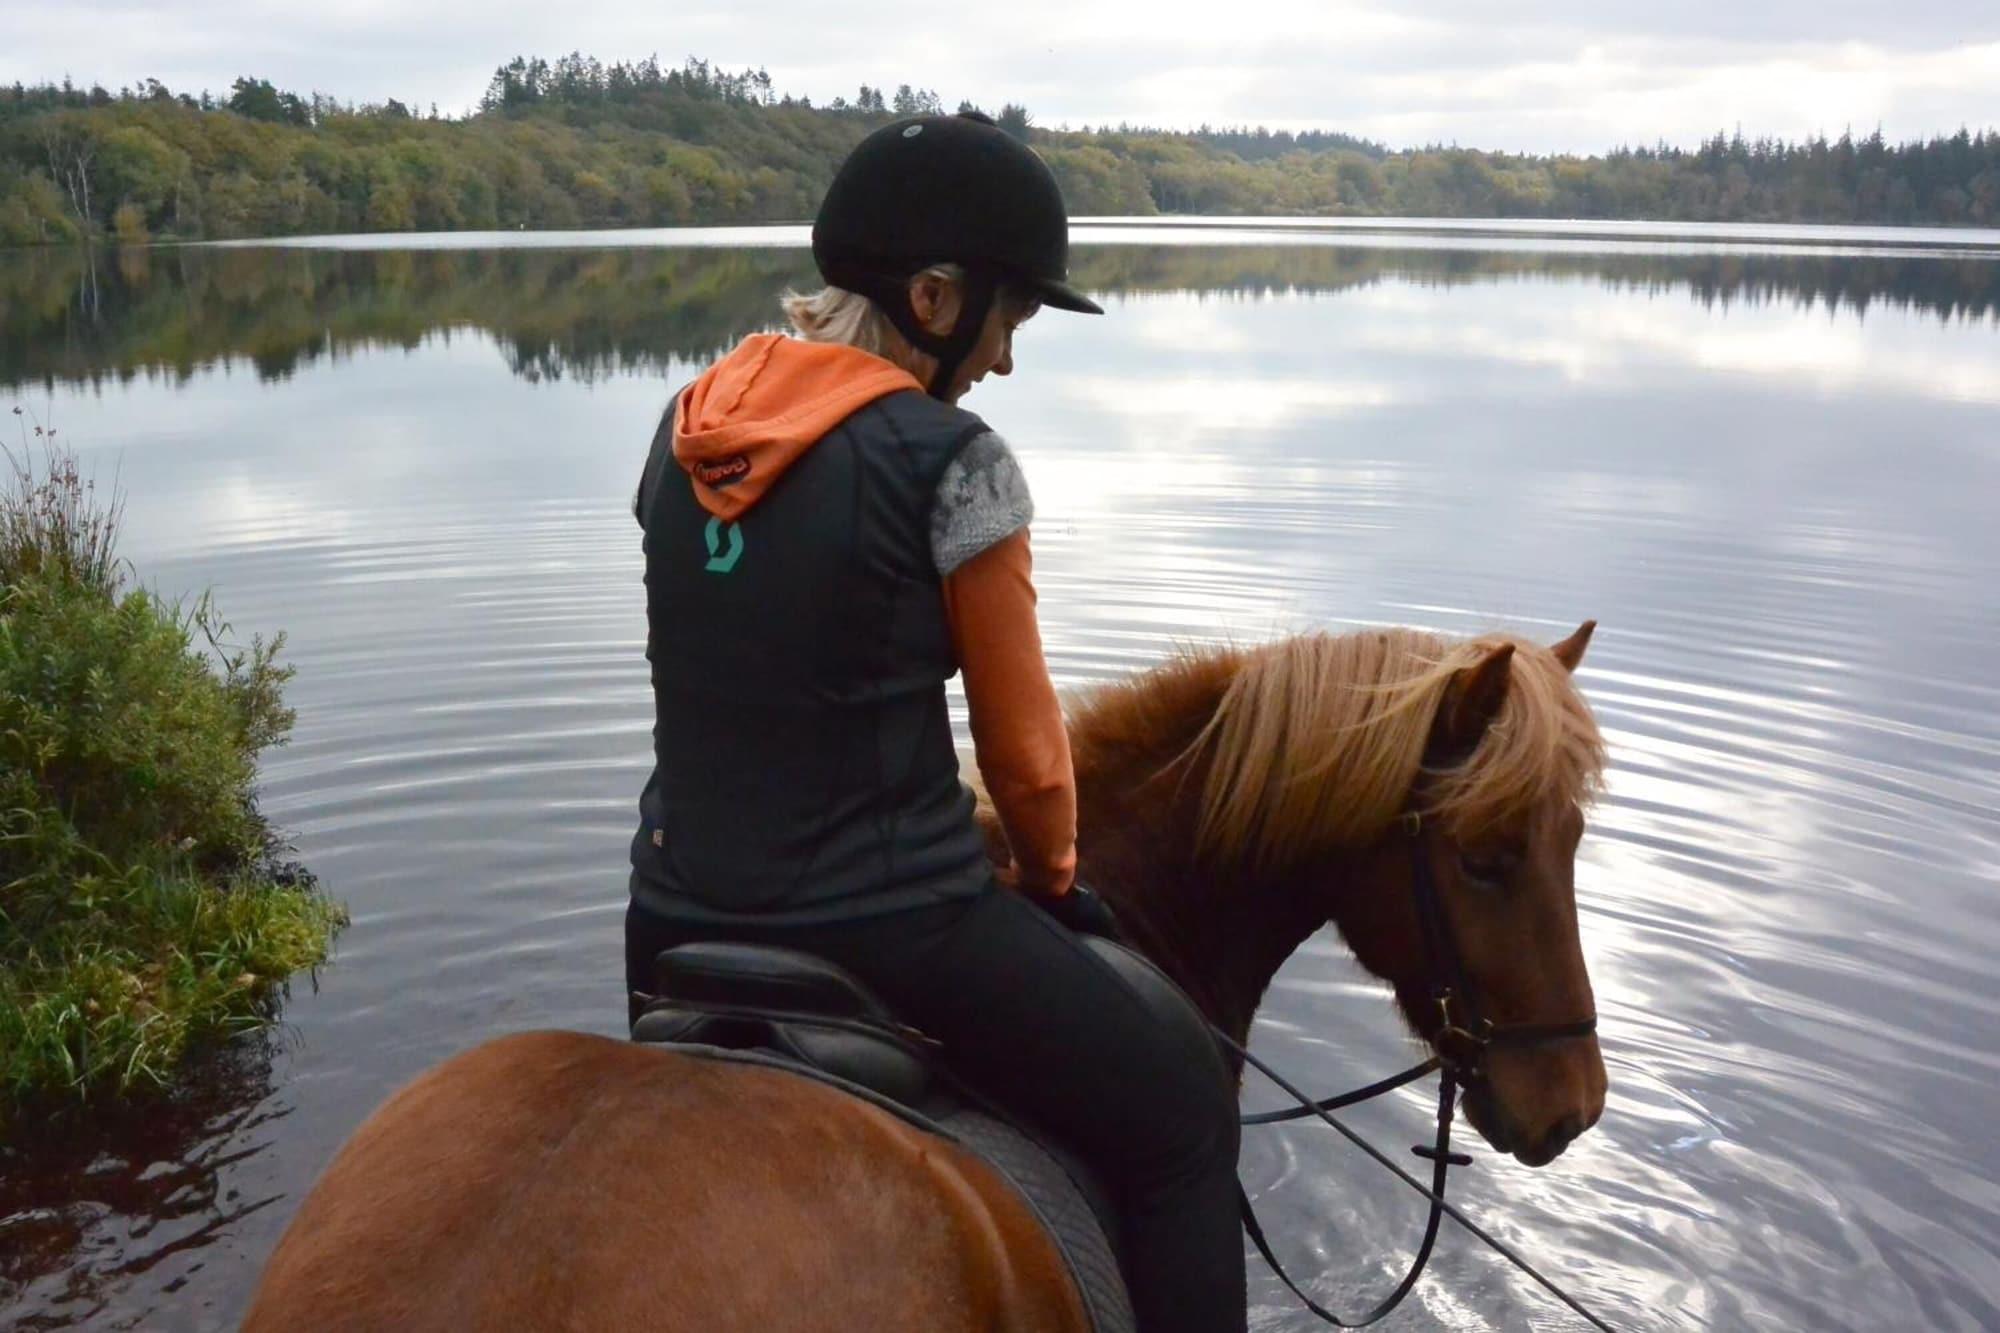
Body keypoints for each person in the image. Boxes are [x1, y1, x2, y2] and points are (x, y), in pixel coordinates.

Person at [624, 111, 1245, 1333]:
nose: (1005, 359)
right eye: (1007, 320)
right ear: (933, 296)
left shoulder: (681, 427)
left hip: (667, 918)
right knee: (1180, 1118)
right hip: (892, 929)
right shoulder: (954, 461)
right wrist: (1060, 883)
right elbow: (1027, 765)